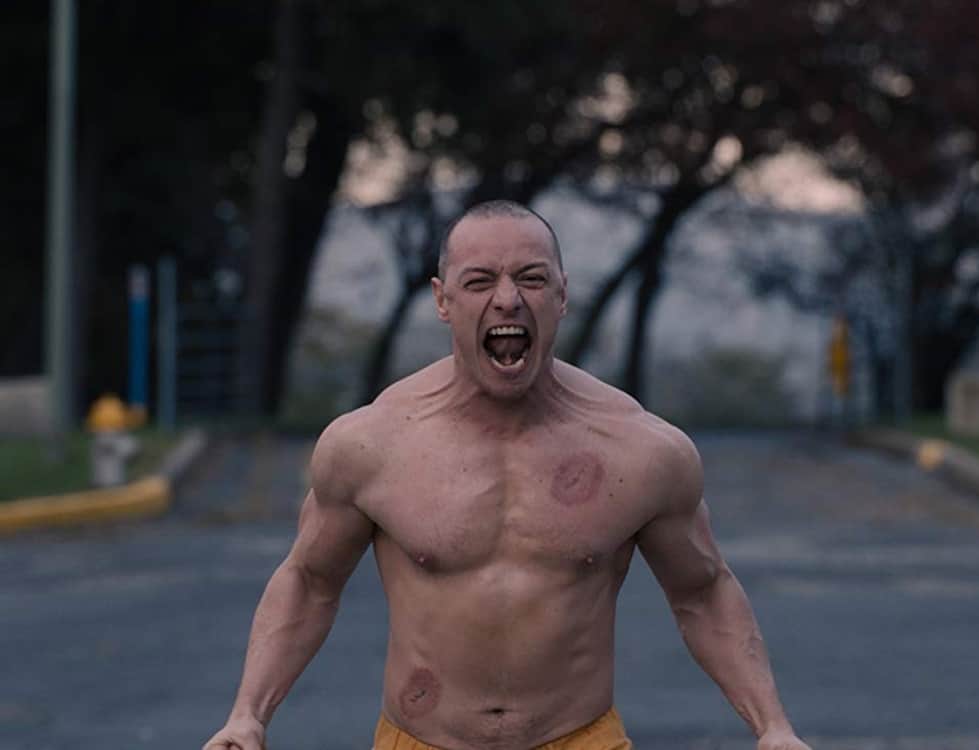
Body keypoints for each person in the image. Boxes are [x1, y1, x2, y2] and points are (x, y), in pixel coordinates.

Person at [204, 200, 811, 750]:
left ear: (562, 294)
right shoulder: (370, 443)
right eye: (479, 281)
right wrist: (247, 716)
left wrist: (773, 728)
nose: (507, 299)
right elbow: (309, 582)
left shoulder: (642, 450)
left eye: (532, 279)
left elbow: (702, 592)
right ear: (443, 300)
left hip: (580, 739)